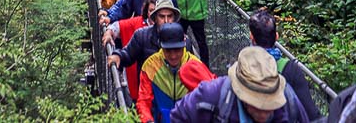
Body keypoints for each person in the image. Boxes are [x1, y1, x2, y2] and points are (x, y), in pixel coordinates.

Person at [171, 47, 309, 123]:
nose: (264, 113)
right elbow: (178, 116)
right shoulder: (212, 95)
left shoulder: (289, 102)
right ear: (240, 93)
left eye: (270, 105)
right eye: (258, 104)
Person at [137, 22, 215, 123]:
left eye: (177, 50)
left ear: (184, 43)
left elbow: (212, 95)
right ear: (161, 45)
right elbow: (143, 101)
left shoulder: (196, 66)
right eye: (168, 51)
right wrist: (147, 120)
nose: (173, 56)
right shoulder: (150, 66)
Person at [249, 10, 320, 121]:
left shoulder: (242, 67)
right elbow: (310, 113)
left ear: (251, 37)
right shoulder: (291, 69)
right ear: (276, 36)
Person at [103, 0, 161, 103]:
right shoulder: (137, 24)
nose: (154, 15)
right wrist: (109, 32)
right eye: (151, 10)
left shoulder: (172, 33)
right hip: (140, 84)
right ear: (146, 11)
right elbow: (118, 26)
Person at [108, 0, 182, 81]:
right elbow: (128, 54)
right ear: (155, 18)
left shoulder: (183, 40)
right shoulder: (142, 35)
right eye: (162, 16)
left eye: (169, 16)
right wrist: (118, 56)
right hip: (148, 88)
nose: (166, 20)